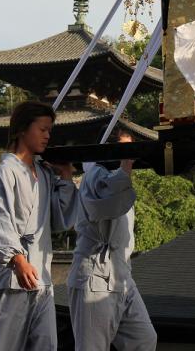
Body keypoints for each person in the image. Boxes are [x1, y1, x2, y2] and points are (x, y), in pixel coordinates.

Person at [0, 101, 77, 351]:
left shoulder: (44, 173)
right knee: (3, 345)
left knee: (45, 344)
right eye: (43, 129)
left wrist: (66, 178)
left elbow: (59, 220)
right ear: (23, 129)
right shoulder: (6, 171)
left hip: (42, 277)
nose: (47, 136)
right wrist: (17, 258)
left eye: (49, 130)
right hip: (14, 274)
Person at [67, 130, 157, 351]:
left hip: (122, 274)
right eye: (124, 150)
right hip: (95, 274)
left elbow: (120, 192)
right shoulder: (94, 175)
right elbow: (109, 204)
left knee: (144, 339)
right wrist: (126, 165)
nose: (129, 157)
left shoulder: (116, 178)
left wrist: (125, 168)